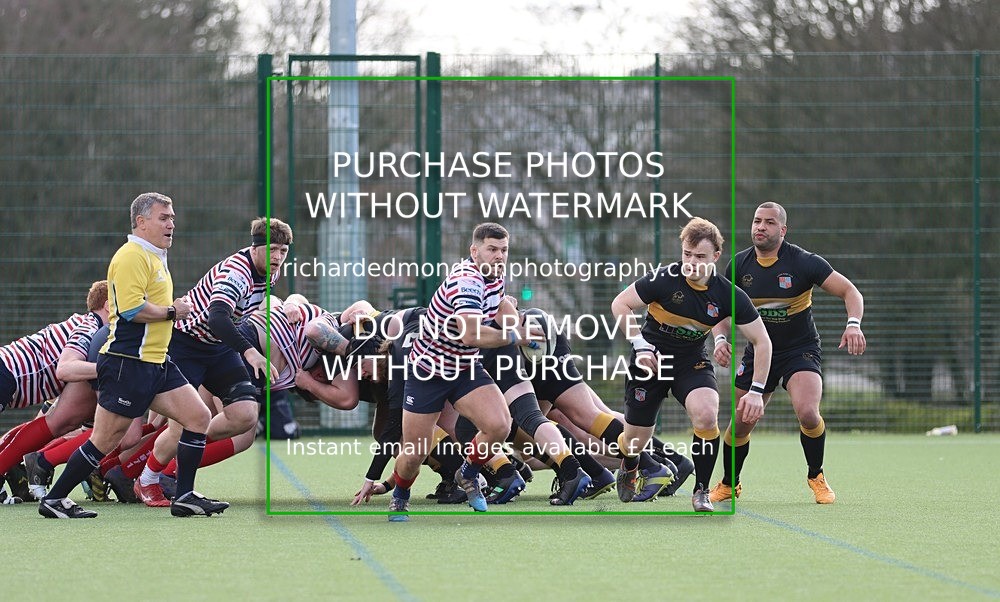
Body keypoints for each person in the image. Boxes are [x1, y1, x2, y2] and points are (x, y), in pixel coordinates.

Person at [38, 192, 228, 519]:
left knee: (198, 417)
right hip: (129, 363)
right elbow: (129, 309)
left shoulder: (155, 257)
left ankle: (183, 497)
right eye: (163, 218)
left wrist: (171, 311)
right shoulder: (131, 256)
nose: (171, 224)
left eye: (172, 218)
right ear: (141, 223)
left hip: (157, 363)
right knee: (106, 439)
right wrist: (172, 311)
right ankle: (54, 499)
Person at [385, 223, 555, 520]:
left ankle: (468, 472)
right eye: (492, 249)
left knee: (499, 425)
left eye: (504, 250)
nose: (499, 256)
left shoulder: (495, 274)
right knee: (415, 453)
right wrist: (518, 336)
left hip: (464, 368)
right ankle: (400, 494)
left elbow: (500, 304)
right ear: (474, 251)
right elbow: (471, 336)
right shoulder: (467, 281)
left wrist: (515, 323)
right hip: (428, 373)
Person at [709, 201, 866, 505]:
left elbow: (851, 292)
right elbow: (721, 311)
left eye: (769, 222)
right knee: (740, 421)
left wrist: (853, 324)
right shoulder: (739, 265)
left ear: (782, 230)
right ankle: (730, 483)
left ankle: (816, 476)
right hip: (759, 354)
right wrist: (719, 340)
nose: (760, 227)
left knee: (808, 412)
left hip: (800, 350)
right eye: (756, 221)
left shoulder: (804, 262)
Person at [612, 217, 772, 512]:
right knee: (634, 439)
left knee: (707, 415)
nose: (692, 262)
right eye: (687, 254)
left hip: (691, 360)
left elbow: (763, 341)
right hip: (651, 357)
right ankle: (630, 463)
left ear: (715, 257)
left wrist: (756, 390)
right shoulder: (663, 278)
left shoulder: (728, 294)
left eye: (700, 257)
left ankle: (701, 491)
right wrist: (640, 345)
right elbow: (620, 304)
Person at [130, 216, 291, 506]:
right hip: (186, 345)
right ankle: (148, 480)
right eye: (273, 249)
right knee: (181, 424)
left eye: (283, 251)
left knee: (245, 416)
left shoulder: (272, 272)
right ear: (255, 247)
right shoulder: (236, 273)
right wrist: (250, 351)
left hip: (217, 349)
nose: (278, 257)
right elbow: (217, 317)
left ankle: (176, 470)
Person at [0, 281, 109, 490]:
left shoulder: (89, 325)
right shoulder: (90, 326)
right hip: (6, 374)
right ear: (108, 305)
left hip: (9, 377)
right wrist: (109, 369)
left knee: (51, 423)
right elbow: (65, 369)